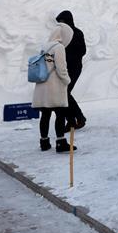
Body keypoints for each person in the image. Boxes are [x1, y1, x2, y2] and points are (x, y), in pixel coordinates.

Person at [32, 22, 75, 153]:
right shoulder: (59, 47)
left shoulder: (44, 46)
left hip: (42, 85)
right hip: (55, 86)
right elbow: (61, 68)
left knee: (45, 114)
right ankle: (61, 142)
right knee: (60, 114)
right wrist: (67, 80)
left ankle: (44, 142)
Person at [55, 10, 87, 131]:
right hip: (61, 67)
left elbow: (82, 51)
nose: (61, 24)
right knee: (62, 93)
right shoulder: (59, 34)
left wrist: (66, 56)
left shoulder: (77, 33)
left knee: (64, 92)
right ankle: (73, 120)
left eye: (63, 21)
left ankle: (77, 118)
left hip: (74, 67)